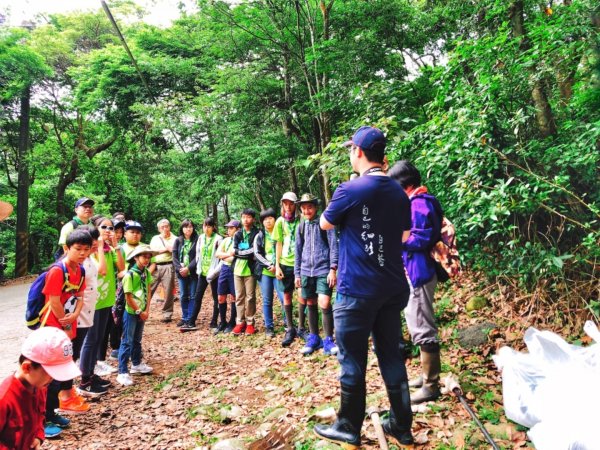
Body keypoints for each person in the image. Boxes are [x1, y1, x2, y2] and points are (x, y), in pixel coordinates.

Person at [314, 126, 414, 448]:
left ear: (358, 151)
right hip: (392, 288)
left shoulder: (350, 190)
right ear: (382, 157)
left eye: (350, 149)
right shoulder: (399, 192)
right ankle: (401, 424)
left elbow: (325, 223)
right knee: (390, 356)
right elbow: (404, 237)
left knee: (352, 359)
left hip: (356, 291)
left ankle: (348, 426)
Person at [389, 160, 443, 404]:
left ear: (406, 185)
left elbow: (420, 238)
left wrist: (396, 239)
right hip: (414, 270)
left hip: (420, 271)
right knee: (415, 320)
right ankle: (425, 376)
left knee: (422, 324)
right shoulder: (417, 201)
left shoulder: (420, 203)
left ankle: (431, 385)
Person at [0, 327, 81, 447]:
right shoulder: (4, 399)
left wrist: (38, 437)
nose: (54, 379)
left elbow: (40, 416)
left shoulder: (40, 387)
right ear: (27, 367)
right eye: (51, 373)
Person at [42, 228, 91, 416]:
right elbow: (54, 302)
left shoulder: (80, 270)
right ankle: (45, 417)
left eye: (86, 249)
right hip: (54, 330)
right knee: (50, 373)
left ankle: (54, 412)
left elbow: (80, 297)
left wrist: (75, 315)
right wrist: (68, 325)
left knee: (65, 369)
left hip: (69, 327)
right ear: (66, 248)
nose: (82, 253)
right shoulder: (57, 271)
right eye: (78, 249)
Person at [78, 217, 124, 394]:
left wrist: (115, 245)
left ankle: (91, 373)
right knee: (90, 340)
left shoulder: (109, 249)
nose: (107, 230)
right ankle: (85, 380)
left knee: (97, 339)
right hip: (93, 302)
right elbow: (102, 270)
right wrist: (98, 246)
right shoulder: (90, 249)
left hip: (107, 299)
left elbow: (121, 268)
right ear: (95, 229)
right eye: (103, 227)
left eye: (110, 227)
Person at [294, 194, 339, 356]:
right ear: (300, 209)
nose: (307, 210)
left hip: (323, 269)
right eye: (304, 207)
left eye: (310, 207)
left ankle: (328, 339)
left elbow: (334, 246)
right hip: (306, 270)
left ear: (315, 207)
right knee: (310, 302)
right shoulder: (301, 225)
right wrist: (297, 273)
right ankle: (314, 337)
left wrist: (333, 268)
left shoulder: (325, 223)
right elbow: (297, 250)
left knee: (325, 302)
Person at [116, 245, 157, 386]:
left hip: (142, 311)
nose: (147, 260)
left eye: (148, 257)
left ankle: (136, 363)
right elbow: (128, 297)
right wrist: (140, 311)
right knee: (127, 340)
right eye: (144, 256)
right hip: (131, 312)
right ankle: (122, 371)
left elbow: (149, 291)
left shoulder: (146, 273)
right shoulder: (130, 275)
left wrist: (147, 309)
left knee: (137, 339)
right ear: (136, 258)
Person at [272, 192, 303, 347]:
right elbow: (278, 243)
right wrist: (277, 265)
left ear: (296, 204)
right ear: (282, 205)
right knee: (287, 296)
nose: (288, 207)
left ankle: (302, 327)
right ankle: (290, 328)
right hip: (285, 263)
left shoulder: (301, 220)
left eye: (291, 203)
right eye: (285, 204)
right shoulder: (280, 222)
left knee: (302, 295)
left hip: (301, 263)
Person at [253, 208, 285, 337]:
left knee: (284, 298)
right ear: (262, 222)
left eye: (270, 218)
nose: (268, 221)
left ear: (275, 219)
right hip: (266, 272)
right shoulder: (260, 236)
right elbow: (257, 253)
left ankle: (288, 324)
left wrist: (278, 266)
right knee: (267, 300)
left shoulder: (282, 232)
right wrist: (269, 265)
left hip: (280, 271)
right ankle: (269, 327)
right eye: (265, 219)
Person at [231, 209, 260, 335]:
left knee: (250, 297)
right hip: (237, 269)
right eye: (243, 217)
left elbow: (255, 251)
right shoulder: (237, 234)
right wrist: (243, 253)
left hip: (250, 269)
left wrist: (239, 253)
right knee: (239, 297)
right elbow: (234, 250)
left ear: (253, 219)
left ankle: (250, 323)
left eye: (248, 217)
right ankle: (240, 322)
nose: (246, 220)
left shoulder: (257, 233)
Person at [191, 217, 222, 331]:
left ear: (213, 227)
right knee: (197, 296)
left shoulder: (218, 239)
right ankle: (192, 320)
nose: (206, 228)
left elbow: (221, 258)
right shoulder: (200, 238)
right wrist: (198, 269)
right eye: (205, 226)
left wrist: (215, 271)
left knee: (216, 298)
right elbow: (198, 254)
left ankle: (214, 321)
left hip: (214, 273)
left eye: (209, 226)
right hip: (202, 272)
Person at [172, 219, 199, 330]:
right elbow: (174, 256)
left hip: (192, 272)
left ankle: (190, 318)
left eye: (190, 226)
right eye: (186, 227)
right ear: (182, 228)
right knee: (183, 295)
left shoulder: (197, 240)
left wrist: (188, 268)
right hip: (181, 273)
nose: (188, 229)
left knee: (193, 295)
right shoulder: (178, 240)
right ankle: (184, 317)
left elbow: (198, 257)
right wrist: (180, 269)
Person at [214, 220, 239, 334]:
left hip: (235, 269)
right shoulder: (225, 240)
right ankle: (222, 321)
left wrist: (226, 256)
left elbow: (236, 258)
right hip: (224, 269)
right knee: (221, 296)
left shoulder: (240, 240)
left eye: (231, 228)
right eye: (228, 228)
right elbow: (218, 254)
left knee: (234, 296)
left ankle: (232, 321)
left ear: (237, 229)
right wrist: (229, 255)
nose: (228, 230)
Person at [149, 219, 177, 323]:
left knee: (168, 291)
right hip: (154, 266)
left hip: (168, 266)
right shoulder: (155, 238)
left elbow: (175, 252)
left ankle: (167, 314)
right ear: (159, 229)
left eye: (166, 226)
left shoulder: (175, 239)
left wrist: (162, 251)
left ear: (170, 227)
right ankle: (142, 310)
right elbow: (151, 252)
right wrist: (166, 249)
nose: (165, 229)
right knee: (148, 288)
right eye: (162, 227)